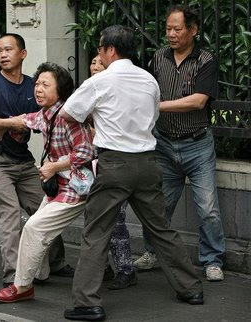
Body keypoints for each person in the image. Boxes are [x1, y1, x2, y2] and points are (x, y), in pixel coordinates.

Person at [61, 25, 204, 321]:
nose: (99, 53)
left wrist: (96, 116)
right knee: (161, 228)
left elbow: (67, 113)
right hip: (148, 163)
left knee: (96, 232)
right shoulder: (149, 79)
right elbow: (152, 116)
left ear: (110, 49)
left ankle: (87, 302)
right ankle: (191, 288)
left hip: (114, 165)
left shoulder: (100, 81)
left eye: (100, 48)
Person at [134, 4, 225, 282]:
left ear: (193, 30)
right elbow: (146, 88)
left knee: (208, 208)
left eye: (177, 29)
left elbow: (198, 101)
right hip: (163, 144)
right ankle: (152, 252)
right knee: (158, 205)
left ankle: (212, 260)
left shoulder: (206, 60)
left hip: (197, 145)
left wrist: (158, 106)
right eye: (167, 29)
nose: (171, 34)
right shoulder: (159, 57)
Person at [0, 34, 73, 288]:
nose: (3, 54)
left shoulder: (32, 86)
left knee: (47, 208)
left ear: (23, 54)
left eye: (8, 49)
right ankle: (14, 276)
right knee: (10, 216)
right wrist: (12, 123)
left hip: (23, 161)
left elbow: (43, 118)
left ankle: (58, 262)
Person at [0, 62, 93, 303]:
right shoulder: (46, 114)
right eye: (37, 84)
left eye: (45, 85)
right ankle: (38, 274)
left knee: (34, 227)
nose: (38, 89)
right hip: (59, 188)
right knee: (37, 228)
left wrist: (54, 166)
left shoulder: (68, 117)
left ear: (60, 90)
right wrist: (3, 127)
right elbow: (29, 119)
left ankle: (22, 287)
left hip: (76, 189)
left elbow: (87, 151)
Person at [89, 54, 136, 289]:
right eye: (93, 62)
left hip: (117, 164)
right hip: (91, 167)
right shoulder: (86, 93)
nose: (96, 66)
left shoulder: (119, 93)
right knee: (95, 219)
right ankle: (103, 267)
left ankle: (126, 269)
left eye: (101, 62)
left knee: (116, 219)